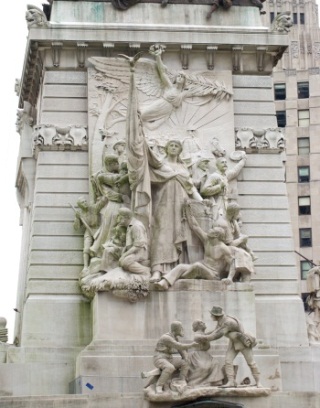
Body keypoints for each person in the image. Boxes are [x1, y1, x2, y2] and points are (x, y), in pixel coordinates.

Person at [149, 140, 203, 283]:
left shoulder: (182, 167)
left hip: (181, 204)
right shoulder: (160, 164)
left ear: (180, 150)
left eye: (176, 146)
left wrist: (203, 202)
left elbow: (190, 188)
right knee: (161, 234)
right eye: (171, 145)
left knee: (180, 233)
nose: (173, 148)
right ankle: (157, 270)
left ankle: (177, 270)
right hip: (163, 203)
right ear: (166, 148)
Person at [154, 203, 236, 289]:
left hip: (213, 274)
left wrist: (229, 278)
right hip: (200, 267)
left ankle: (177, 278)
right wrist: (188, 210)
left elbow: (232, 262)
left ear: (216, 236)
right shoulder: (207, 240)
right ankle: (164, 282)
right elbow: (195, 226)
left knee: (197, 266)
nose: (209, 230)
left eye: (212, 230)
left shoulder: (223, 248)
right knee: (181, 266)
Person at [195, 306, 262, 388]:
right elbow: (215, 331)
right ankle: (231, 381)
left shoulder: (228, 322)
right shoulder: (221, 320)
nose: (211, 316)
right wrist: (204, 335)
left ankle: (258, 382)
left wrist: (203, 338)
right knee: (228, 360)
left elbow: (217, 335)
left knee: (251, 362)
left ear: (216, 315)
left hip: (243, 342)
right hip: (233, 342)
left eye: (212, 314)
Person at [90, 155, 130, 257]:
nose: (117, 165)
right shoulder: (106, 176)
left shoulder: (117, 176)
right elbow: (101, 180)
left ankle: (103, 250)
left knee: (111, 227)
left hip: (119, 205)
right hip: (113, 205)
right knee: (110, 227)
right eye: (116, 163)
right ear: (111, 164)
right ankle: (102, 251)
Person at [153, 321, 196, 393]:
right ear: (176, 329)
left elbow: (181, 349)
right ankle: (159, 385)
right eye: (181, 328)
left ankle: (182, 380)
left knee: (185, 362)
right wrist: (191, 345)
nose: (182, 330)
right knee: (170, 367)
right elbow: (179, 346)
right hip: (160, 358)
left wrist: (185, 358)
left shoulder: (175, 338)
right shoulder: (166, 338)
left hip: (169, 359)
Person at [200, 154, 246, 220]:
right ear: (217, 165)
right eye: (222, 162)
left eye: (225, 162)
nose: (225, 164)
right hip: (217, 203)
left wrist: (243, 160)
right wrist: (219, 186)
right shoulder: (214, 176)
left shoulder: (225, 176)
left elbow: (235, 171)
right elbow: (204, 191)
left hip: (225, 204)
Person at [73, 196, 108, 269]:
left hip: (98, 229)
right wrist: (77, 218)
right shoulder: (80, 214)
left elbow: (101, 203)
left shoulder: (93, 208)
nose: (85, 203)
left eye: (85, 201)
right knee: (86, 248)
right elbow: (76, 227)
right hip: (88, 230)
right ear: (80, 205)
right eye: (82, 202)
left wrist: (105, 196)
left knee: (101, 247)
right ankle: (85, 266)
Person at [187, 320, 224, 387]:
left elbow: (213, 332)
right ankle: (196, 382)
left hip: (205, 355)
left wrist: (220, 326)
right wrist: (222, 330)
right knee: (204, 367)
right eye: (201, 322)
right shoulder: (197, 336)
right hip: (198, 356)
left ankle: (213, 381)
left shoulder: (203, 334)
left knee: (215, 363)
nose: (204, 323)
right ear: (198, 326)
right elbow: (211, 337)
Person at [117, 208, 150, 275]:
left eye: (119, 216)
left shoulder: (136, 226)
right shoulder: (130, 224)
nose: (117, 218)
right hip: (132, 251)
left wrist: (124, 255)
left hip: (139, 253)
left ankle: (145, 270)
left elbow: (138, 246)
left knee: (125, 262)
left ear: (125, 217)